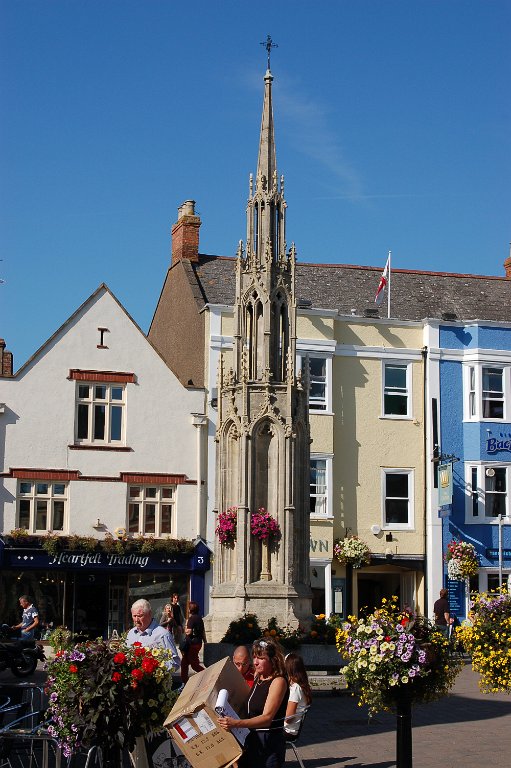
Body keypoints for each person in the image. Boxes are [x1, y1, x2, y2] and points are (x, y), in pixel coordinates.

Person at [218, 637, 289, 768]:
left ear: (273, 659)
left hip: (268, 743)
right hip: (252, 741)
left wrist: (236, 723)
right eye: (255, 657)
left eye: (261, 658)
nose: (255, 662)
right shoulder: (259, 676)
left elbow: (267, 718)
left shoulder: (278, 682)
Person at [126, 598, 179, 669]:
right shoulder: (131, 633)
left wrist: (155, 668)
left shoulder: (163, 635)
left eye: (140, 616)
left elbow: (175, 662)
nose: (136, 620)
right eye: (134, 616)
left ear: (149, 614)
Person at [284, 653, 312, 736]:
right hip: (289, 729)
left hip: (287, 731)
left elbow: (288, 718)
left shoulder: (295, 688)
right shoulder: (300, 685)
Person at [180, 601, 206, 685]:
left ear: (190, 610)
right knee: (184, 663)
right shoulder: (199, 618)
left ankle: (206, 675)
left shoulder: (191, 619)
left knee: (194, 665)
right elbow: (202, 631)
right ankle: (185, 682)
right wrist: (205, 641)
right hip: (198, 643)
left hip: (191, 644)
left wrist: (185, 627)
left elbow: (189, 632)